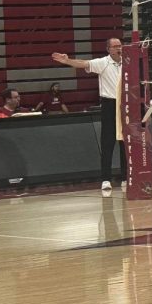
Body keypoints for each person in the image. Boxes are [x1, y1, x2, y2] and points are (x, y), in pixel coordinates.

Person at [53, 38, 126, 194]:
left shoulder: (128, 62)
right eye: (115, 46)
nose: (118, 48)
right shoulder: (103, 63)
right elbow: (84, 64)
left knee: (125, 142)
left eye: (120, 45)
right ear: (108, 49)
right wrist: (67, 61)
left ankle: (126, 178)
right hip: (109, 104)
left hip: (125, 105)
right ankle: (106, 179)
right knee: (108, 142)